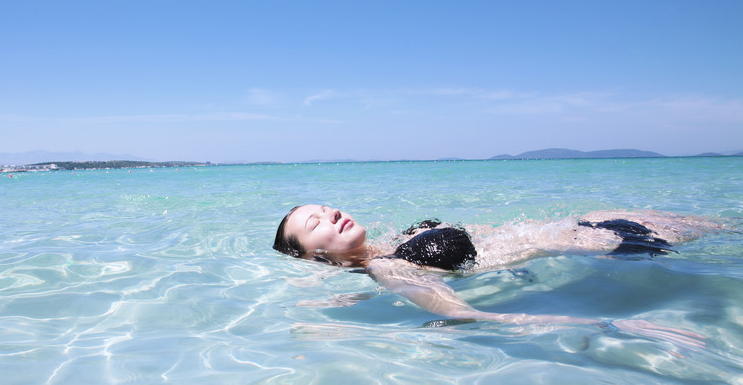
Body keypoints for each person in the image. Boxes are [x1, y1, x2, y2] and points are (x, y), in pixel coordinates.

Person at [274, 204, 716, 347]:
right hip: (617, 245)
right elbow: (474, 316)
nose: (330, 214)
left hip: (595, 222)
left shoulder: (393, 241)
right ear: (315, 258)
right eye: (315, 226)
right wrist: (618, 325)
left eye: (326, 207)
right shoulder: (388, 268)